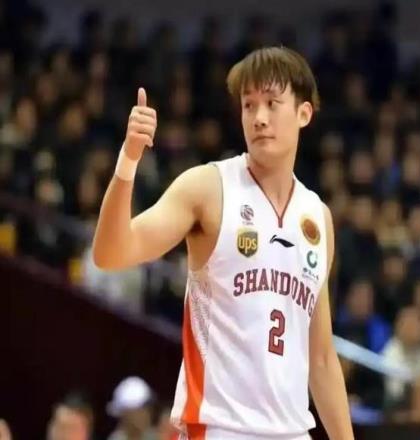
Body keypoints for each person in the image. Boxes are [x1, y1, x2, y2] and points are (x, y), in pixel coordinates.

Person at [92, 46, 354, 440]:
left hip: (292, 431)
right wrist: (128, 162)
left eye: (272, 103)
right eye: (249, 105)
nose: (259, 117)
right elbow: (110, 253)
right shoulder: (208, 188)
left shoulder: (318, 218)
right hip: (219, 428)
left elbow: (320, 358)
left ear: (303, 113)